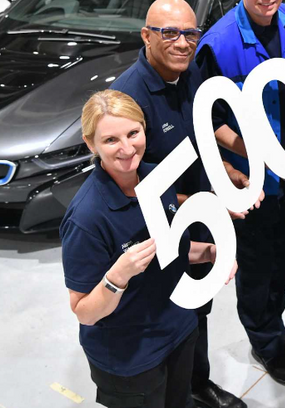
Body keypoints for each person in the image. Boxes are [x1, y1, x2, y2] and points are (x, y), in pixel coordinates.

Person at [110, 0, 253, 408]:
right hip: (159, 226)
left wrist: (232, 165)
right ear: (146, 36)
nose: (183, 42)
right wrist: (207, 203)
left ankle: (196, 382)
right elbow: (133, 186)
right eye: (169, 32)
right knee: (171, 310)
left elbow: (202, 132)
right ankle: (180, 390)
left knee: (198, 305)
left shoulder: (188, 74)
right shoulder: (128, 98)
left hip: (199, 213)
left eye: (190, 33)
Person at [60, 90, 236, 408]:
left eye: (133, 133)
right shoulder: (87, 218)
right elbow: (84, 312)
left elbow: (172, 250)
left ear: (144, 130)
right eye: (111, 140)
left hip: (179, 329)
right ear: (91, 144)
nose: (127, 149)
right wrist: (117, 276)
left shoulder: (157, 177)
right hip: (131, 356)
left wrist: (210, 252)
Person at [195, 0, 285, 389]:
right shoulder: (219, 45)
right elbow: (206, 118)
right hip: (254, 179)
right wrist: (247, 154)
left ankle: (277, 327)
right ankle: (263, 342)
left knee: (284, 255)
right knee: (258, 264)